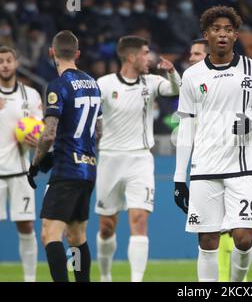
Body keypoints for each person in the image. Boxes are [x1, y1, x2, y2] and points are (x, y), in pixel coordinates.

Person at [174, 6, 252, 282]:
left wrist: (251, 126)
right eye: (216, 29)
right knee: (207, 240)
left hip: (242, 168)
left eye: (228, 29)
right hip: (204, 168)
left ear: (236, 35)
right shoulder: (192, 76)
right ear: (206, 34)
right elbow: (186, 127)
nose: (222, 34)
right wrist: (180, 178)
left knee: (242, 238)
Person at [95, 35, 181, 282]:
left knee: (139, 219)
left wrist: (172, 71)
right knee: (106, 226)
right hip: (110, 160)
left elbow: (175, 89)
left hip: (140, 160)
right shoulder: (104, 84)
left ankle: (136, 280)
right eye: (145, 52)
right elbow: (90, 112)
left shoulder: (152, 82)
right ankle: (105, 275)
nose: (150, 57)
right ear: (132, 57)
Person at [27, 30, 102, 282]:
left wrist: (37, 162)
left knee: (50, 234)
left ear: (51, 53)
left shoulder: (58, 86)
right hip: (89, 168)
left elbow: (49, 133)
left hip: (67, 169)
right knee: (77, 236)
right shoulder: (93, 83)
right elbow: (98, 130)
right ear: (77, 54)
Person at [187, 37, 243, 282]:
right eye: (191, 54)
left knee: (235, 230)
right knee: (210, 233)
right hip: (204, 165)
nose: (192, 58)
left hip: (232, 162)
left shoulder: (233, 82)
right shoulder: (193, 83)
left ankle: (234, 281)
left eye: (197, 54)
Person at [0, 46, 41, 282]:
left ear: (16, 63)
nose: (4, 65)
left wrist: (36, 140)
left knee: (26, 227)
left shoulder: (31, 95)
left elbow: (41, 130)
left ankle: (30, 279)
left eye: (8, 60)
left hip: (20, 172)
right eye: (1, 61)